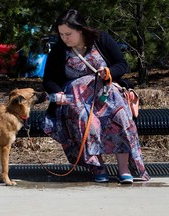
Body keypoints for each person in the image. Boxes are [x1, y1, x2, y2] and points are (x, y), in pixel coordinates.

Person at [42, 9, 150, 183]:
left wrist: (109, 72)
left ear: (81, 30)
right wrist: (58, 93)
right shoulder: (59, 50)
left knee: (120, 116)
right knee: (85, 120)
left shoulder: (101, 39)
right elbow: (48, 80)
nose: (64, 38)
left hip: (106, 93)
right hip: (76, 98)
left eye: (68, 34)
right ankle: (97, 166)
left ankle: (124, 168)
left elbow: (122, 64)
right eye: (61, 34)